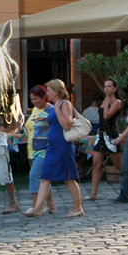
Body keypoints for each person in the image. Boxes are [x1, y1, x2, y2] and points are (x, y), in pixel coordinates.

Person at [28, 79, 85, 218]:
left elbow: (67, 124)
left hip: (63, 145)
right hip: (52, 146)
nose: (47, 93)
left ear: (57, 91)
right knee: (45, 176)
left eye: (49, 90)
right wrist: (44, 120)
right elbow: (55, 122)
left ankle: (78, 207)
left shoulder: (64, 104)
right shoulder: (56, 105)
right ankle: (38, 208)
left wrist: (58, 110)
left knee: (69, 178)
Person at [86, 77, 126, 201]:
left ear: (115, 88)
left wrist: (108, 100)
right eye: (105, 86)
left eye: (109, 86)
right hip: (101, 134)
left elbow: (107, 115)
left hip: (111, 135)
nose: (107, 88)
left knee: (119, 164)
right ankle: (93, 193)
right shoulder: (104, 100)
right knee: (96, 163)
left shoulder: (116, 101)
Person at [22, 85, 56, 215]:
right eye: (32, 100)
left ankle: (36, 206)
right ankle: (51, 205)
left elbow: (56, 126)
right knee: (44, 177)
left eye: (36, 99)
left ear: (44, 97)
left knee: (34, 175)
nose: (35, 102)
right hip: (34, 148)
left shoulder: (51, 110)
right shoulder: (35, 109)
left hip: (46, 148)